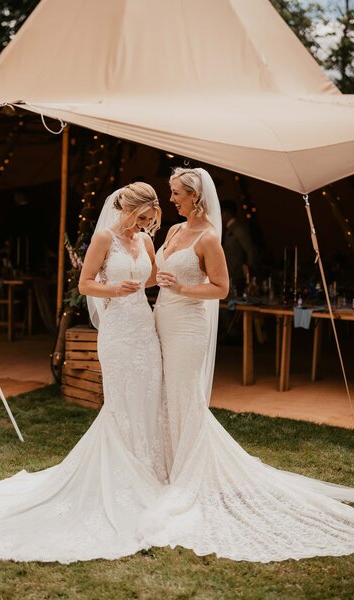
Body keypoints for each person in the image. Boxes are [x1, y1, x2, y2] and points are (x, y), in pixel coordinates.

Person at [138, 167, 354, 562]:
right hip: (162, 317)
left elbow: (220, 288)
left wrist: (183, 288)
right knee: (164, 392)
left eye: (175, 193)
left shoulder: (209, 239)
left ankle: (189, 475)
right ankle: (167, 467)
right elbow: (155, 276)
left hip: (189, 323)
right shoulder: (171, 232)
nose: (171, 199)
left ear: (195, 196)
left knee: (185, 393)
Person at [0, 182, 167, 563]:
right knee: (120, 400)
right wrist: (115, 290)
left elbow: (149, 279)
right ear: (128, 210)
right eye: (142, 219)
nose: (145, 227)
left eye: (150, 222)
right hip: (118, 331)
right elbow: (85, 283)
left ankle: (149, 469)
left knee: (148, 395)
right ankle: (121, 475)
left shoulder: (146, 242)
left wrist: (157, 279)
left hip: (144, 329)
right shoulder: (104, 238)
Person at [221, 199, 257, 295]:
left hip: (238, 276)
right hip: (230, 275)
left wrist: (248, 275)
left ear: (225, 213)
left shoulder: (238, 228)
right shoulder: (228, 229)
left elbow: (250, 250)